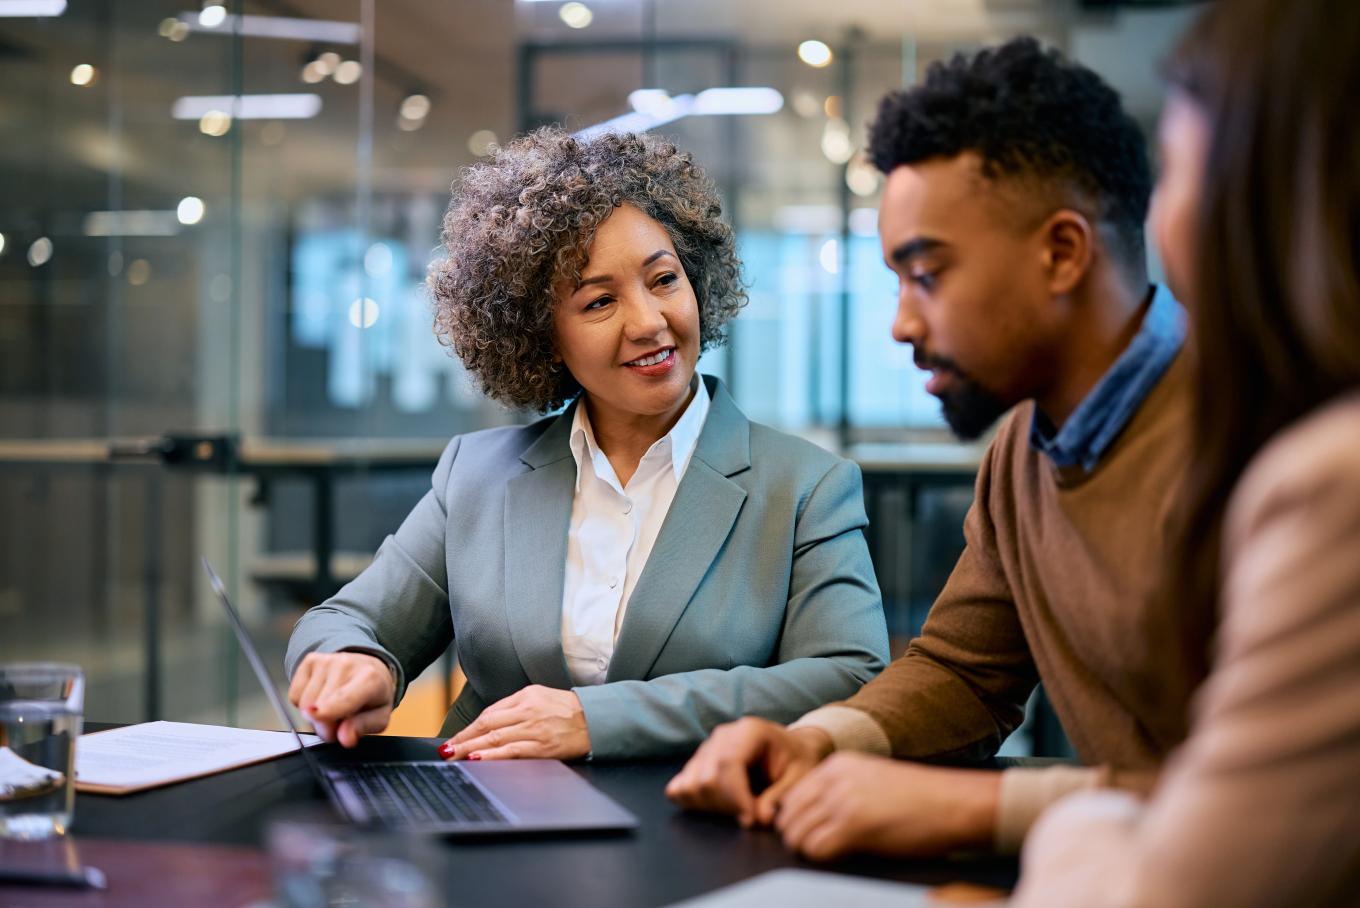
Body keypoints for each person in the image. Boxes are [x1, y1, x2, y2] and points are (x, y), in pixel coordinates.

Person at [668, 37, 1196, 857]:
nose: (903, 324)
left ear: (1062, 252)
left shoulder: (1260, 444)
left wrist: (970, 810)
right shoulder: (1025, 448)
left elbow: (1274, 796)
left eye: (928, 275)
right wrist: (820, 741)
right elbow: (963, 672)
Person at [284, 129, 889, 761]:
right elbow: (345, 621)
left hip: (705, 821)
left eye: (663, 280)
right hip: (496, 822)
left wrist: (597, 719)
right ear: (543, 335)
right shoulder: (477, 475)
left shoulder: (805, 486)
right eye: (600, 301)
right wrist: (353, 664)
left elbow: (849, 674)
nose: (650, 321)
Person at [1012, 1, 1360, 904]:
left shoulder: (1333, 483)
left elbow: (1176, 892)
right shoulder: (1022, 447)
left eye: (1177, 165)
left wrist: (1077, 820)